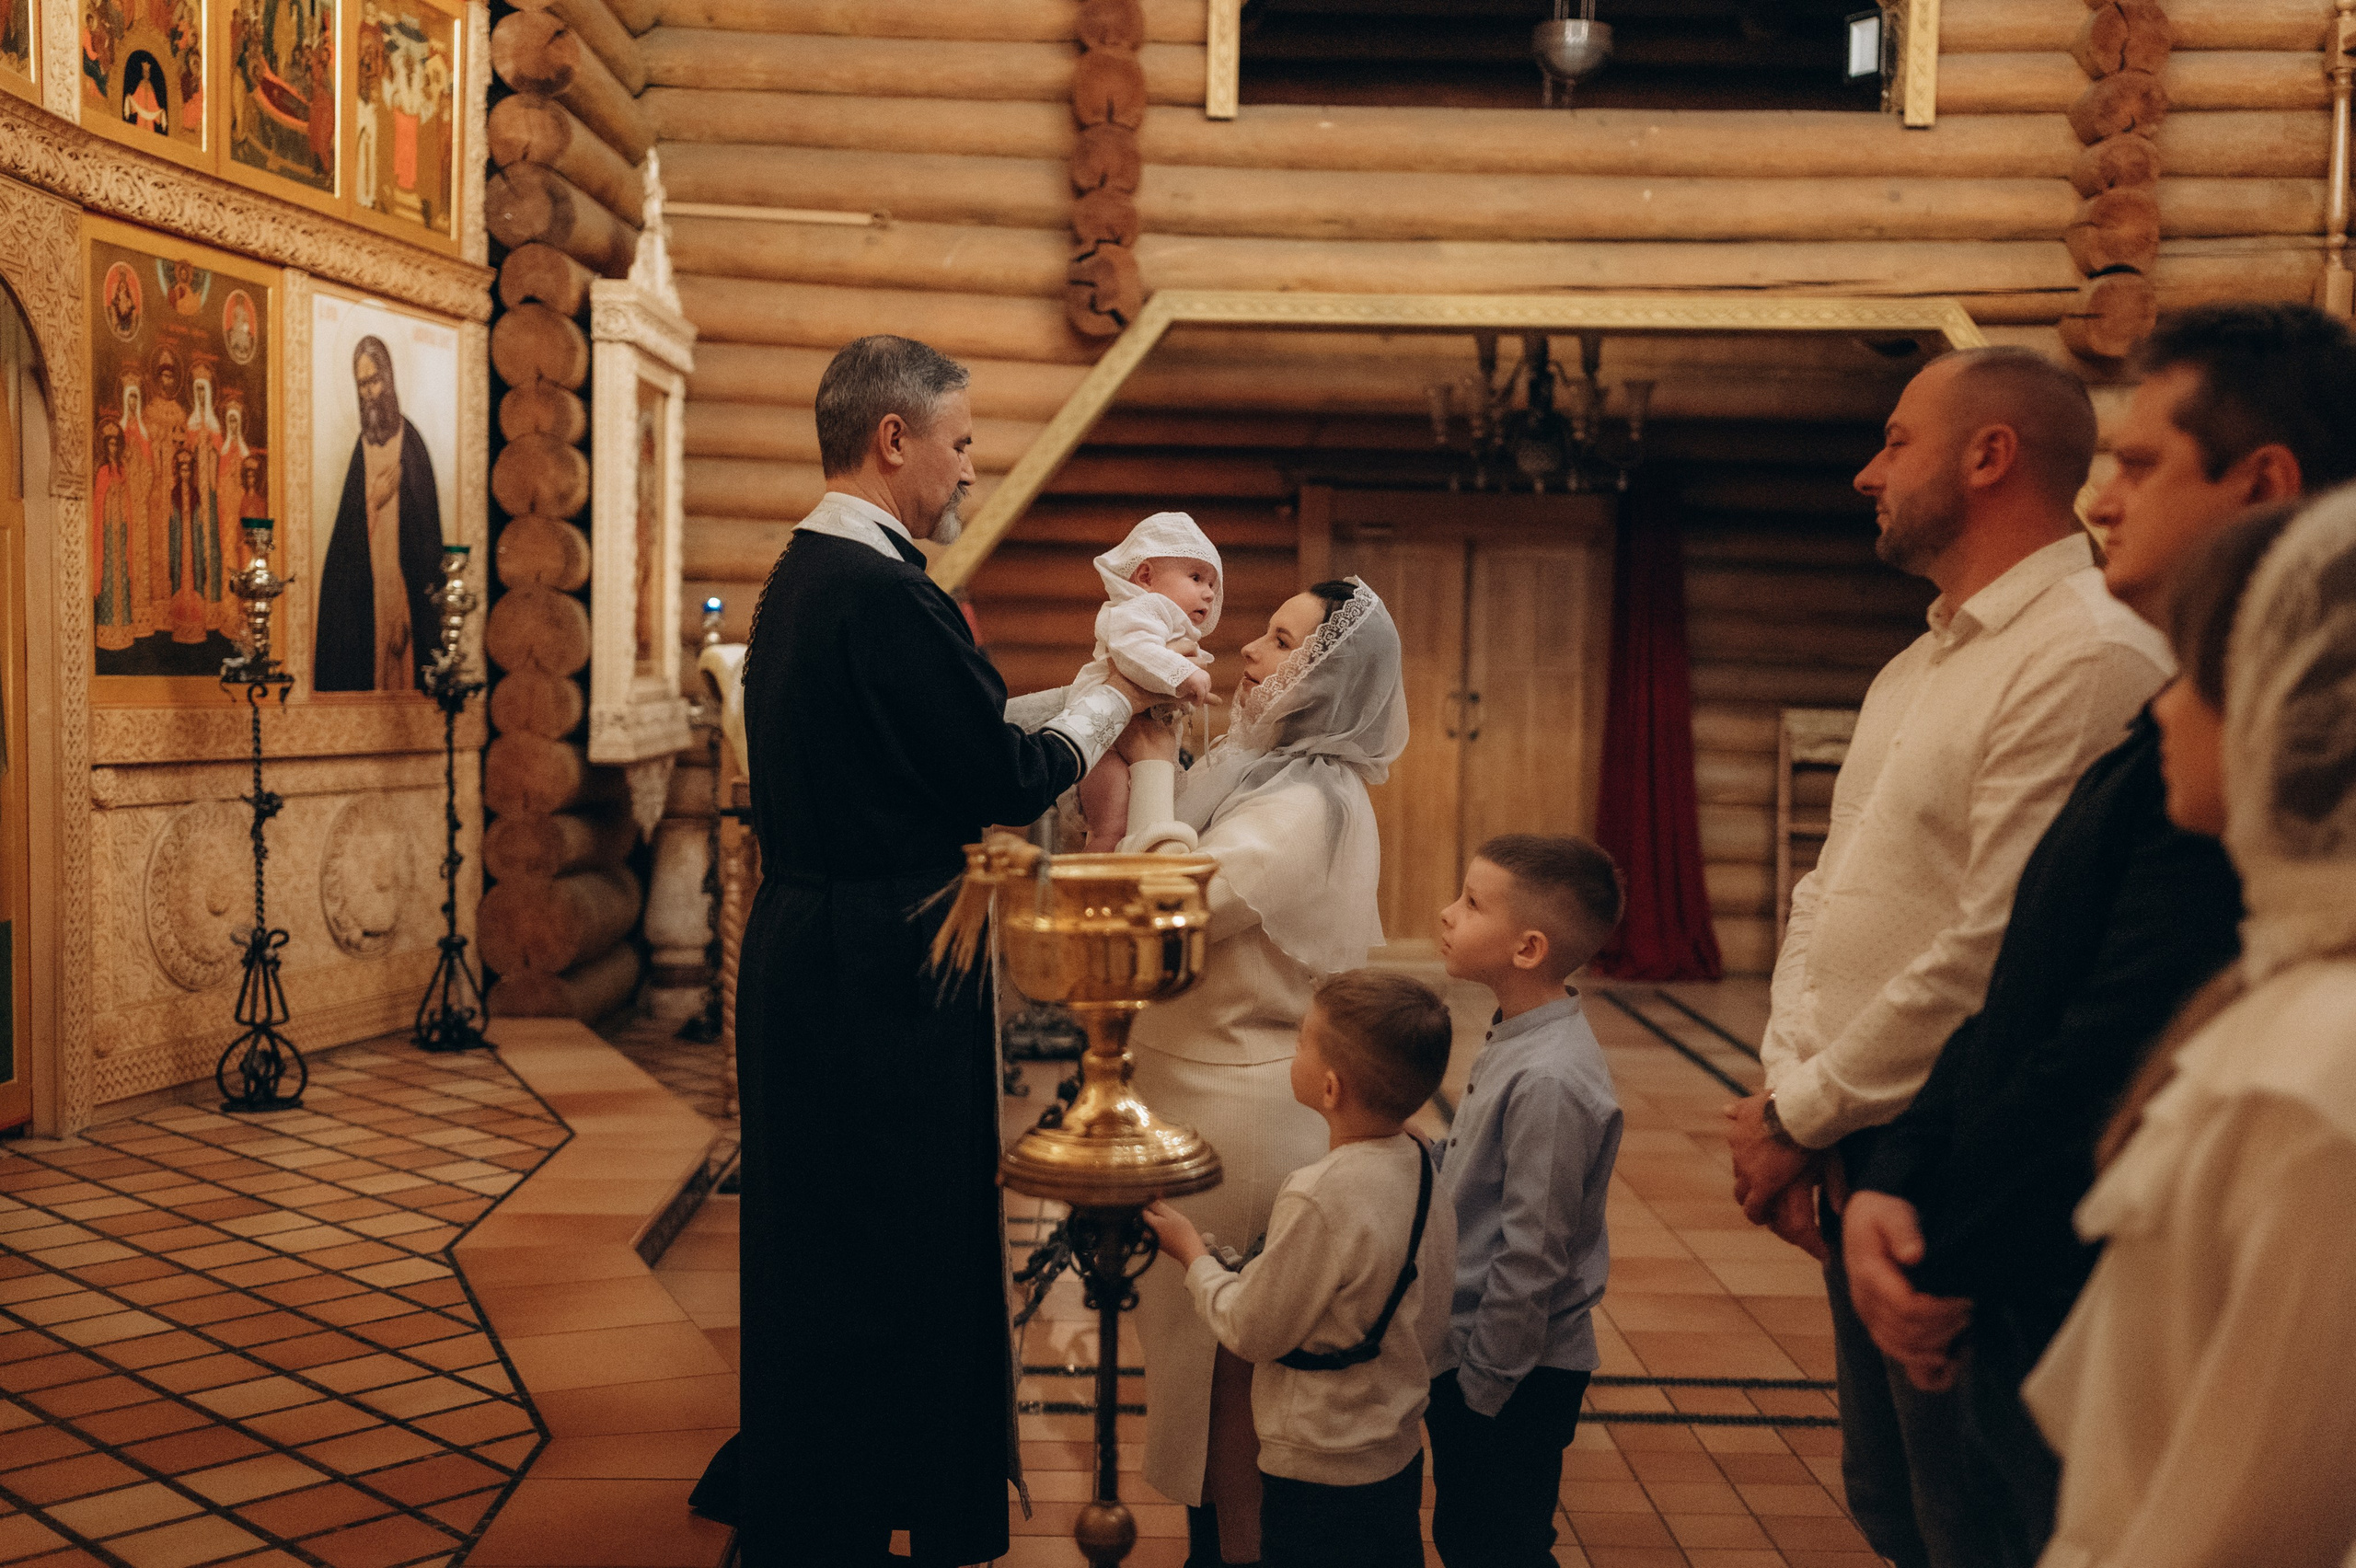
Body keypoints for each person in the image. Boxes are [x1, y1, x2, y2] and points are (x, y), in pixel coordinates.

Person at [1840, 302, 2356, 1567]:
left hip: (2039, 1281)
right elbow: (2020, 986)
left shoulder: (2305, 1050)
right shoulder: (2173, 738)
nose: (2099, 498)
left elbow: (2100, 1039)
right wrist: (1898, 1171)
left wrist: (1947, 1248)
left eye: (2134, 462)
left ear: (2265, 481)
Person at [704, 334, 1156, 1568]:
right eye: (961, 441)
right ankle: (862, 1504)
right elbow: (992, 778)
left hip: (819, 944)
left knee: (827, 1241)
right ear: (892, 439)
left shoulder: (811, 572)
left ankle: (821, 1495)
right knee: (890, 1243)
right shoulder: (884, 592)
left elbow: (917, 736)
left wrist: (1067, 700)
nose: (972, 466)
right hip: (878, 965)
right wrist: (1111, 697)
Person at [1722, 345, 2171, 1568]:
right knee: (1894, 1502)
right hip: (1866, 1132)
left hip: (1967, 1149)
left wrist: (1804, 1109)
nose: (1869, 473)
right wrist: (1791, 1097)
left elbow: (1999, 943)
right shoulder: (1923, 660)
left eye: (1895, 442)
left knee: (1977, 1514)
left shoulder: (2085, 653)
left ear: (1989, 456)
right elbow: (1834, 893)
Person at [2023, 492, 2356, 1568]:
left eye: (2194, 677)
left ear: (2293, 702)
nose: (2162, 711)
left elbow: (2233, 1524)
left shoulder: (2311, 1078)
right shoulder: (2287, 993)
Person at [1122, 576, 1408, 1568]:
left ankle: (1235, 1559)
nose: (1249, 650)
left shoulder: (1305, 802)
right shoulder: (1256, 767)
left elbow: (1169, 905)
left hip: (1239, 1112)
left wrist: (1155, 762)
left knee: (1229, 1386)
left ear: (1326, 676)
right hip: (1195, 1090)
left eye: (1281, 641)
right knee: (1198, 1382)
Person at [1143, 970, 1458, 1568]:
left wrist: (1193, 1256)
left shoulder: (1317, 1194)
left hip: (1318, 1465)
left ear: (1332, 1087)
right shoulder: (1418, 1157)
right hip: (1393, 1451)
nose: (1292, 1050)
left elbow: (1250, 1330)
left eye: (1302, 1040)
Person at [1426, 834, 1626, 1568]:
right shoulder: (1521, 1035)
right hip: (1487, 1349)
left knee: (1496, 1547)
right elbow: (1482, 1173)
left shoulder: (1549, 1079)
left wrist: (1482, 1385)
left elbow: (1534, 1249)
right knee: (1469, 1536)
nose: (1448, 915)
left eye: (1472, 904)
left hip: (1515, 1369)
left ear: (1528, 947)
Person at [1074, 510, 1222, 850]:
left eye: (1212, 584)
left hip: (1131, 735)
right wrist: (1186, 673)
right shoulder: (1138, 610)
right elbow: (1134, 652)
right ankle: (1092, 896)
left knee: (1130, 828)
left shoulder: (1165, 620)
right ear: (1145, 576)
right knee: (1110, 829)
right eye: (1197, 578)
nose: (1209, 593)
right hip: (1105, 737)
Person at [315, 337, 443, 691]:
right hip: (368, 598)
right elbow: (348, 538)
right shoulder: (362, 448)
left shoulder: (412, 446)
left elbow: (426, 548)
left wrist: (406, 606)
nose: (369, 392)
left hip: (404, 598)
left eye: (374, 381)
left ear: (388, 379)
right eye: (362, 385)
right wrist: (373, 500)